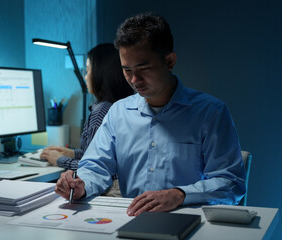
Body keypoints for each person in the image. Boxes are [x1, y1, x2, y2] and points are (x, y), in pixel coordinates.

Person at [55, 13, 246, 216]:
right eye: (127, 70)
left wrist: (180, 194)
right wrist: (81, 184)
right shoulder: (118, 113)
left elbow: (231, 183)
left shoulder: (211, 113)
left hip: (188, 220)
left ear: (170, 61)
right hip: (132, 220)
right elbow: (96, 166)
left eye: (143, 68)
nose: (134, 80)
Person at [40, 43, 135, 171]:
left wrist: (59, 160)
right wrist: (72, 153)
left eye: (88, 70)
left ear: (100, 75)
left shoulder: (102, 111)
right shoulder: (122, 105)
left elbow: (94, 168)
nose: (85, 76)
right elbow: (95, 154)